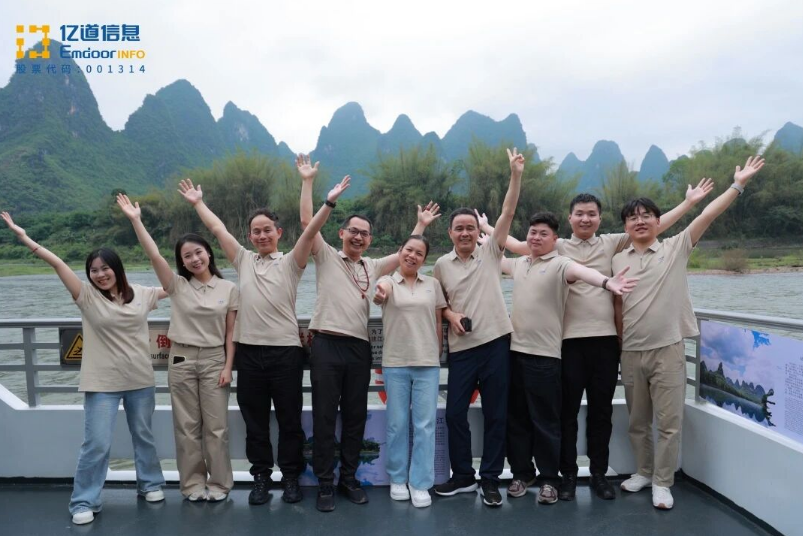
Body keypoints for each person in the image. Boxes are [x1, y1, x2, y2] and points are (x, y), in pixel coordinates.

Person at [477, 179, 713, 500]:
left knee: (601, 412)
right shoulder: (558, 246)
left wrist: (688, 203)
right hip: (568, 343)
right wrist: (487, 228)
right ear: (570, 218)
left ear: (600, 219)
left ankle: (599, 474)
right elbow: (520, 245)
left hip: (606, 342)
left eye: (591, 214)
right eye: (579, 214)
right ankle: (568, 475)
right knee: (567, 414)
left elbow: (654, 225)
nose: (585, 219)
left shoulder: (612, 242)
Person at [178, 172, 352, 505]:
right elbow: (218, 230)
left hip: (286, 353)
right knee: (254, 421)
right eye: (256, 231)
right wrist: (199, 203)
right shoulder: (243, 259)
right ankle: (261, 477)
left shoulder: (292, 262)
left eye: (267, 230)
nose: (261, 235)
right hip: (249, 354)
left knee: (289, 420)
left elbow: (311, 230)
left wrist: (323, 198)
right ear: (250, 236)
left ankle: (291, 477)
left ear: (278, 233)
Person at [612, 156, 765, 510]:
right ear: (625, 225)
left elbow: (707, 215)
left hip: (668, 348)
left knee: (669, 421)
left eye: (646, 215)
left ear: (658, 221)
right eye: (632, 217)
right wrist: (619, 340)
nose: (639, 221)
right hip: (631, 351)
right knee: (637, 420)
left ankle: (662, 482)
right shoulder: (618, 258)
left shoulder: (675, 247)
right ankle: (644, 471)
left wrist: (737, 184)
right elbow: (616, 304)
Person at [1, 212, 167, 526]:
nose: (100, 274)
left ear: (117, 268)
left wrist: (140, 224)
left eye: (105, 268)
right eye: (94, 270)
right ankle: (84, 500)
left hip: (140, 379)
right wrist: (23, 237)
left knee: (143, 435)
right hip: (101, 383)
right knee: (97, 443)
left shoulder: (142, 294)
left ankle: (150, 483)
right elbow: (57, 263)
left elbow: (173, 286)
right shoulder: (86, 296)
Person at [297, 154, 440, 512]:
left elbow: (407, 254)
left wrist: (420, 225)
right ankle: (325, 483)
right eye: (353, 231)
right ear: (342, 234)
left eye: (364, 233)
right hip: (326, 344)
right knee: (325, 415)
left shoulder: (373, 266)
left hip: (359, 348)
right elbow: (307, 224)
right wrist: (311, 185)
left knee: (355, 416)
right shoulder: (325, 255)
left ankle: (348, 478)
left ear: (369, 239)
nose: (358, 236)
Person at [496, 212, 637, 505]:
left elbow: (584, 273)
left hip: (546, 355)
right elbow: (492, 258)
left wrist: (607, 283)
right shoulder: (519, 264)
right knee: (517, 419)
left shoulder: (560, 263)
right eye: (532, 232)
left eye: (543, 233)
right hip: (515, 353)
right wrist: (482, 232)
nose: (536, 237)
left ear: (555, 239)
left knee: (547, 420)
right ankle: (522, 473)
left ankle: (551, 478)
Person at [116, 194, 239, 502]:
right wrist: (136, 220)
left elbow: (231, 333)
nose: (194, 259)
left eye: (198, 252)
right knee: (186, 427)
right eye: (187, 256)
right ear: (182, 262)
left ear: (208, 253)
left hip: (215, 359)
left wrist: (228, 367)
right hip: (181, 358)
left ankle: (220, 484)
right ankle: (193, 485)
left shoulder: (229, 288)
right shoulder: (176, 286)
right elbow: (154, 255)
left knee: (217, 428)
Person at [431, 148, 523, 507]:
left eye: (471, 227)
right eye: (459, 228)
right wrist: (450, 315)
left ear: (477, 230)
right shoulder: (441, 265)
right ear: (450, 233)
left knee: (496, 414)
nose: (466, 232)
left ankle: (490, 479)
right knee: (455, 413)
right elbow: (437, 303)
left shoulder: (491, 252)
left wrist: (515, 175)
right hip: (462, 350)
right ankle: (463, 477)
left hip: (497, 343)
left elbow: (508, 212)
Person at [373, 235, 447, 508]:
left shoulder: (432, 285)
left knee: (425, 425)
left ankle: (420, 482)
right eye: (408, 250)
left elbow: (438, 321)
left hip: (427, 363)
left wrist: (437, 351)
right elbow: (380, 292)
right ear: (400, 251)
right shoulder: (388, 281)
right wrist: (380, 293)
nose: (412, 256)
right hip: (395, 362)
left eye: (419, 253)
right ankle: (397, 478)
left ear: (424, 259)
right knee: (397, 423)